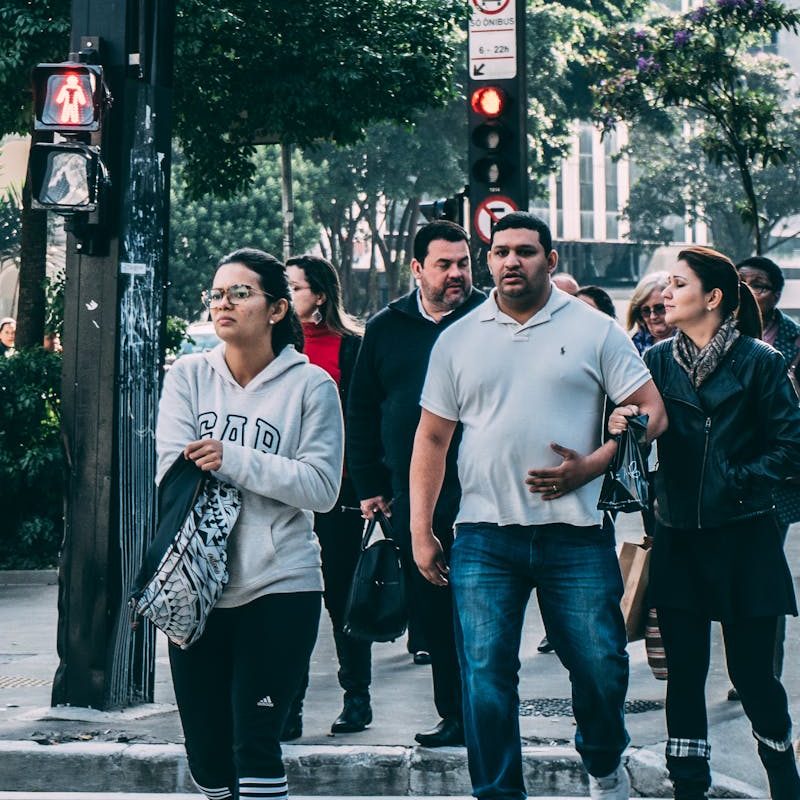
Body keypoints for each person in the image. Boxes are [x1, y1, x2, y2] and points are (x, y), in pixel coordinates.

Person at [410, 212, 667, 799]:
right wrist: (421, 528)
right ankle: (497, 793)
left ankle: (604, 762)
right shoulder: (459, 337)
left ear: (550, 261)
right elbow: (430, 438)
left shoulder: (595, 329)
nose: (510, 262)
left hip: (575, 533)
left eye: (525, 251)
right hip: (483, 535)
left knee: (600, 667)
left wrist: (591, 464)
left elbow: (653, 411)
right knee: (485, 679)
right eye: (499, 252)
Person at [610, 246, 800, 800]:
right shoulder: (656, 361)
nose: (664, 295)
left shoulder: (761, 362)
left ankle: (783, 774)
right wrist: (624, 423)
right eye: (667, 285)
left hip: (745, 537)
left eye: (678, 285)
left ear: (713, 297)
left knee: (754, 677)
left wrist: (730, 480)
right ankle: (688, 787)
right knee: (683, 677)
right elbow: (634, 436)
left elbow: (791, 448)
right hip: (678, 537)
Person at [155, 247, 344, 800]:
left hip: (281, 583)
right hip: (196, 589)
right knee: (207, 755)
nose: (224, 304)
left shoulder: (311, 387)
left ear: (277, 309)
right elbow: (173, 469)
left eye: (240, 293)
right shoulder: (190, 376)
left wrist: (231, 458)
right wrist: (241, 466)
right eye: (216, 294)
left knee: (255, 742)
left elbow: (322, 488)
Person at [347, 219, 485, 748]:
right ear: (417, 269)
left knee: (483, 611)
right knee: (433, 611)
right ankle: (453, 714)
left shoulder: (489, 317)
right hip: (415, 497)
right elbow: (361, 411)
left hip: (485, 491)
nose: (457, 273)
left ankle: (488, 716)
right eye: (444, 264)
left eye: (464, 263)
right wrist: (370, 485)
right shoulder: (386, 327)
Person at [280, 254, 368, 738]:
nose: (288, 296)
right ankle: (288, 707)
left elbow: (362, 420)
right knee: (292, 599)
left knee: (341, 597)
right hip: (285, 492)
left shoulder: (352, 346)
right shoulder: (275, 350)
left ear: (319, 293)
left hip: (341, 491)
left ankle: (357, 697)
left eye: (294, 287)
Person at [735, 255, 800, 691]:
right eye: (741, 282)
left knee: (762, 575)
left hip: (773, 481)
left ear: (776, 295)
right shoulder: (717, 333)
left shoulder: (793, 342)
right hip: (719, 477)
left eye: (759, 285)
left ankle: (762, 674)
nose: (750, 291)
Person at [627, 271, 675, 354]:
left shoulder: (690, 343)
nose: (653, 316)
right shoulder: (633, 347)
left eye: (659, 308)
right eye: (646, 310)